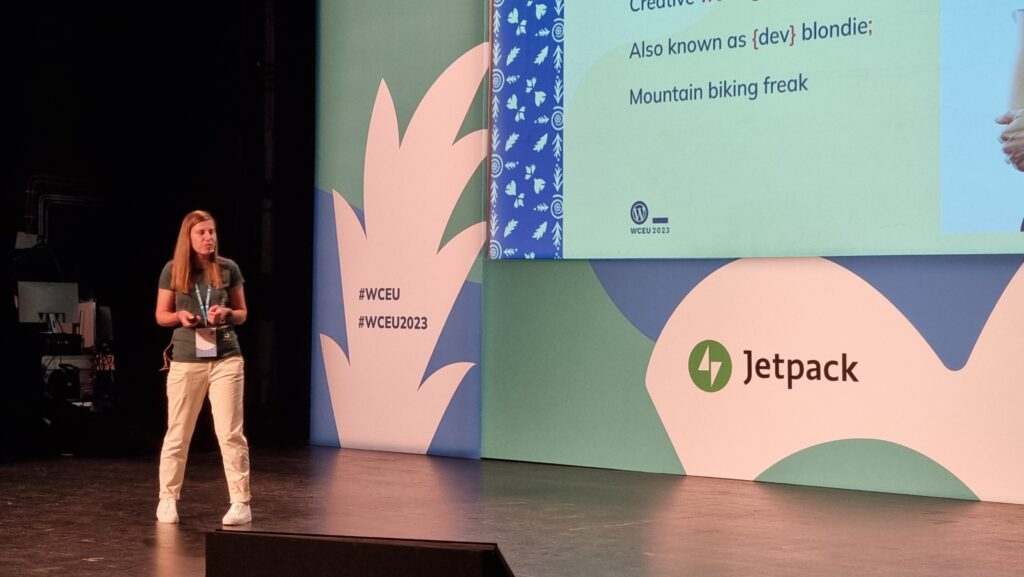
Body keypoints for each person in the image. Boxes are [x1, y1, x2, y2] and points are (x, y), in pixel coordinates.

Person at [154, 210, 252, 525]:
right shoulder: (173, 271)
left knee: (230, 432)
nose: (208, 237)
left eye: (211, 232)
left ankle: (240, 501)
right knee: (178, 432)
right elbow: (161, 316)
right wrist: (181, 318)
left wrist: (225, 313)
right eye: (201, 233)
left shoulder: (228, 269)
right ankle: (167, 499)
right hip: (186, 360)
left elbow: (242, 313)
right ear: (189, 238)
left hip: (226, 358)